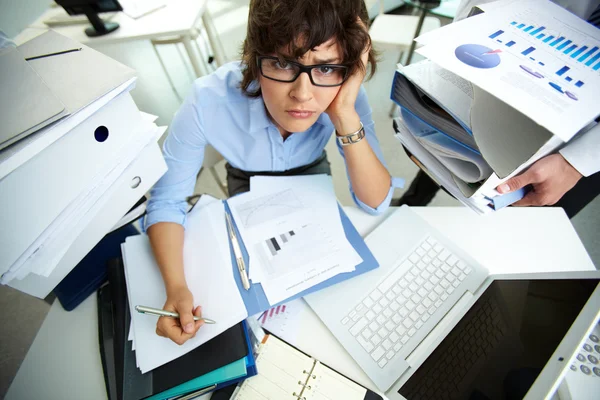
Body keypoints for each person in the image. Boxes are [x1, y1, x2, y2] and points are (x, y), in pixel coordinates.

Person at [145, 0, 403, 345]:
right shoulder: (206, 100)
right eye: (283, 63)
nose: (302, 95)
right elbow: (166, 202)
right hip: (245, 177)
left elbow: (376, 201)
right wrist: (176, 286)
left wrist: (344, 113)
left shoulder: (345, 96)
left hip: (309, 171)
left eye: (326, 69)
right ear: (254, 57)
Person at [395, 0, 600, 219]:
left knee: (523, 216)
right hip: (511, 54)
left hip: (582, 139)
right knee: (447, 146)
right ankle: (412, 202)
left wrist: (575, 162)